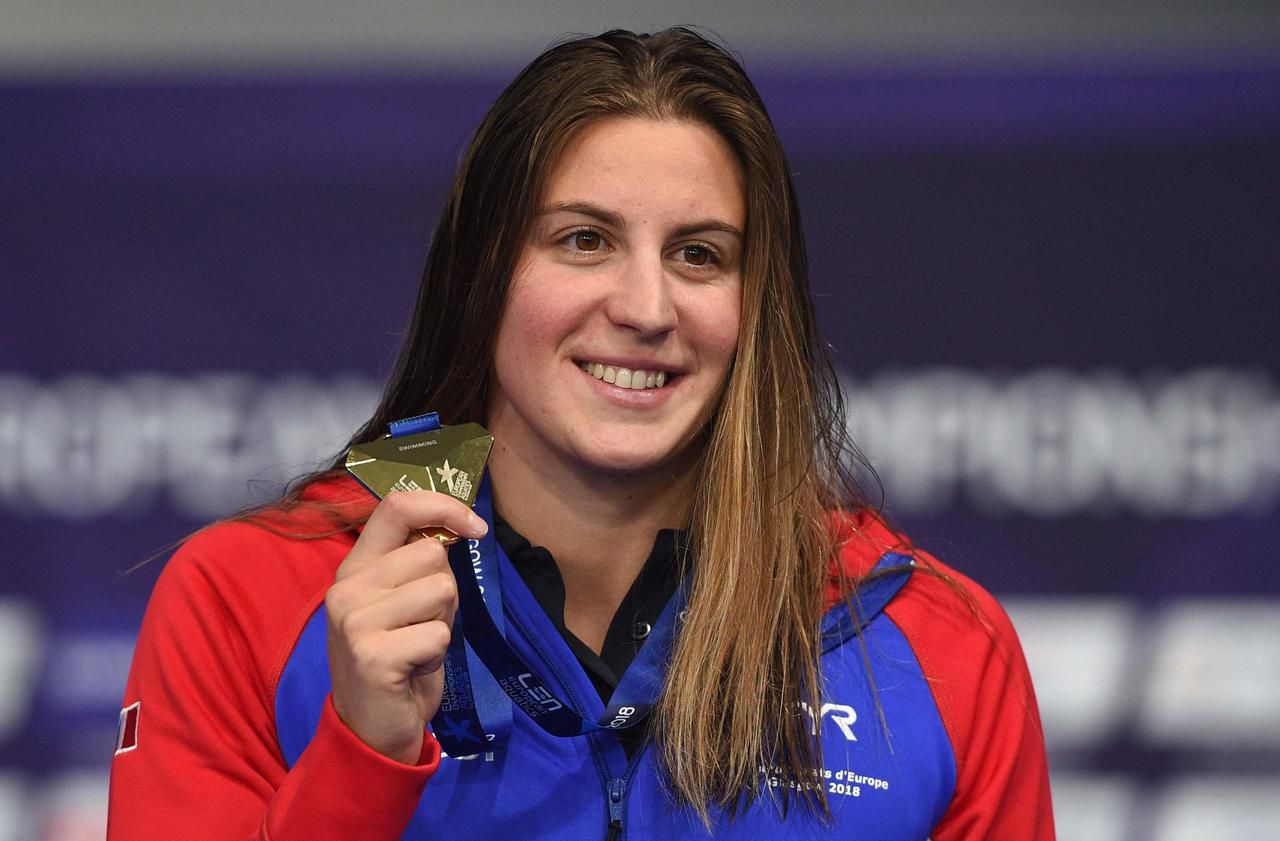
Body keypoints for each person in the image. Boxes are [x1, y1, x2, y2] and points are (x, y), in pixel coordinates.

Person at [107, 27, 1053, 841]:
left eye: (699, 254)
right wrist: (359, 759)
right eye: (584, 240)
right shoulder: (248, 600)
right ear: (483, 274)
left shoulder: (937, 644)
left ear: (755, 306)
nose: (646, 307)